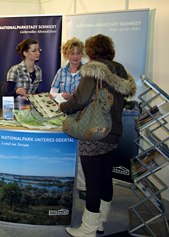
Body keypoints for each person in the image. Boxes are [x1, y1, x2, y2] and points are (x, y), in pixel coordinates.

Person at [59, 34, 136, 237]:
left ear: (91, 51)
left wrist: (64, 106)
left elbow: (81, 98)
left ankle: (88, 229)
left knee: (92, 182)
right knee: (105, 179)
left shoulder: (92, 69)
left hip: (94, 131)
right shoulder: (120, 70)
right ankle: (100, 222)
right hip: (114, 131)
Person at [50, 37, 87, 200]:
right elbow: (51, 93)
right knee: (63, 150)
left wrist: (77, 96)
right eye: (72, 53)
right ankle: (63, 184)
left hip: (82, 116)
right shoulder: (61, 72)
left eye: (78, 53)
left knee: (81, 151)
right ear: (66, 55)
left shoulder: (87, 72)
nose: (75, 56)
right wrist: (61, 95)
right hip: (65, 115)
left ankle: (82, 185)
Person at [5, 38, 42, 107]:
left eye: (38, 50)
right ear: (25, 53)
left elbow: (34, 92)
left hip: (31, 112)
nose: (38, 53)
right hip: (17, 112)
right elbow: (7, 95)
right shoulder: (15, 70)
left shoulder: (38, 70)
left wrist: (44, 95)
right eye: (34, 51)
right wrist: (17, 91)